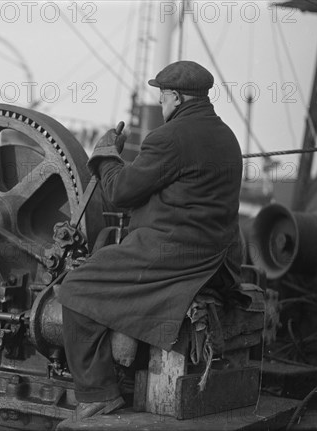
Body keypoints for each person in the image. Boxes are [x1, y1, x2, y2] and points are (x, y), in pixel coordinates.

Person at [57, 60, 243, 419]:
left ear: (174, 96)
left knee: (77, 287)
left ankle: (97, 393)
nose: (160, 104)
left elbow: (121, 193)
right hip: (218, 261)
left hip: (173, 254)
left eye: (161, 97)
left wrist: (105, 156)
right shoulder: (226, 137)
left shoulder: (169, 137)